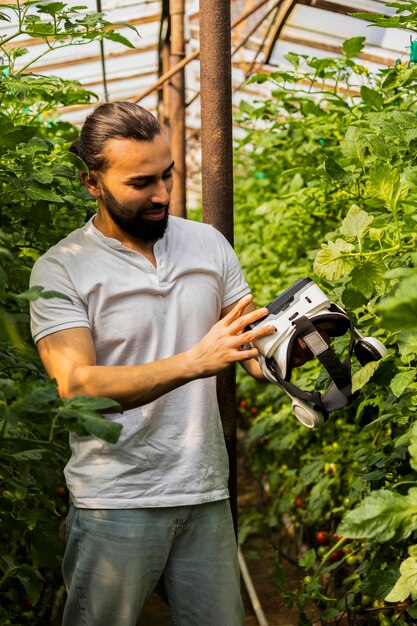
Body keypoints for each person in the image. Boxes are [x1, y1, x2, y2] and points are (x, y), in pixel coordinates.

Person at [29, 101, 276, 626]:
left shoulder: (207, 244)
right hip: (115, 499)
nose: (162, 194)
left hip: (205, 490)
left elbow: (247, 342)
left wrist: (298, 345)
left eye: (167, 175)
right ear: (92, 182)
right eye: (141, 182)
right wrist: (193, 361)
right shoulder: (62, 268)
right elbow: (78, 386)